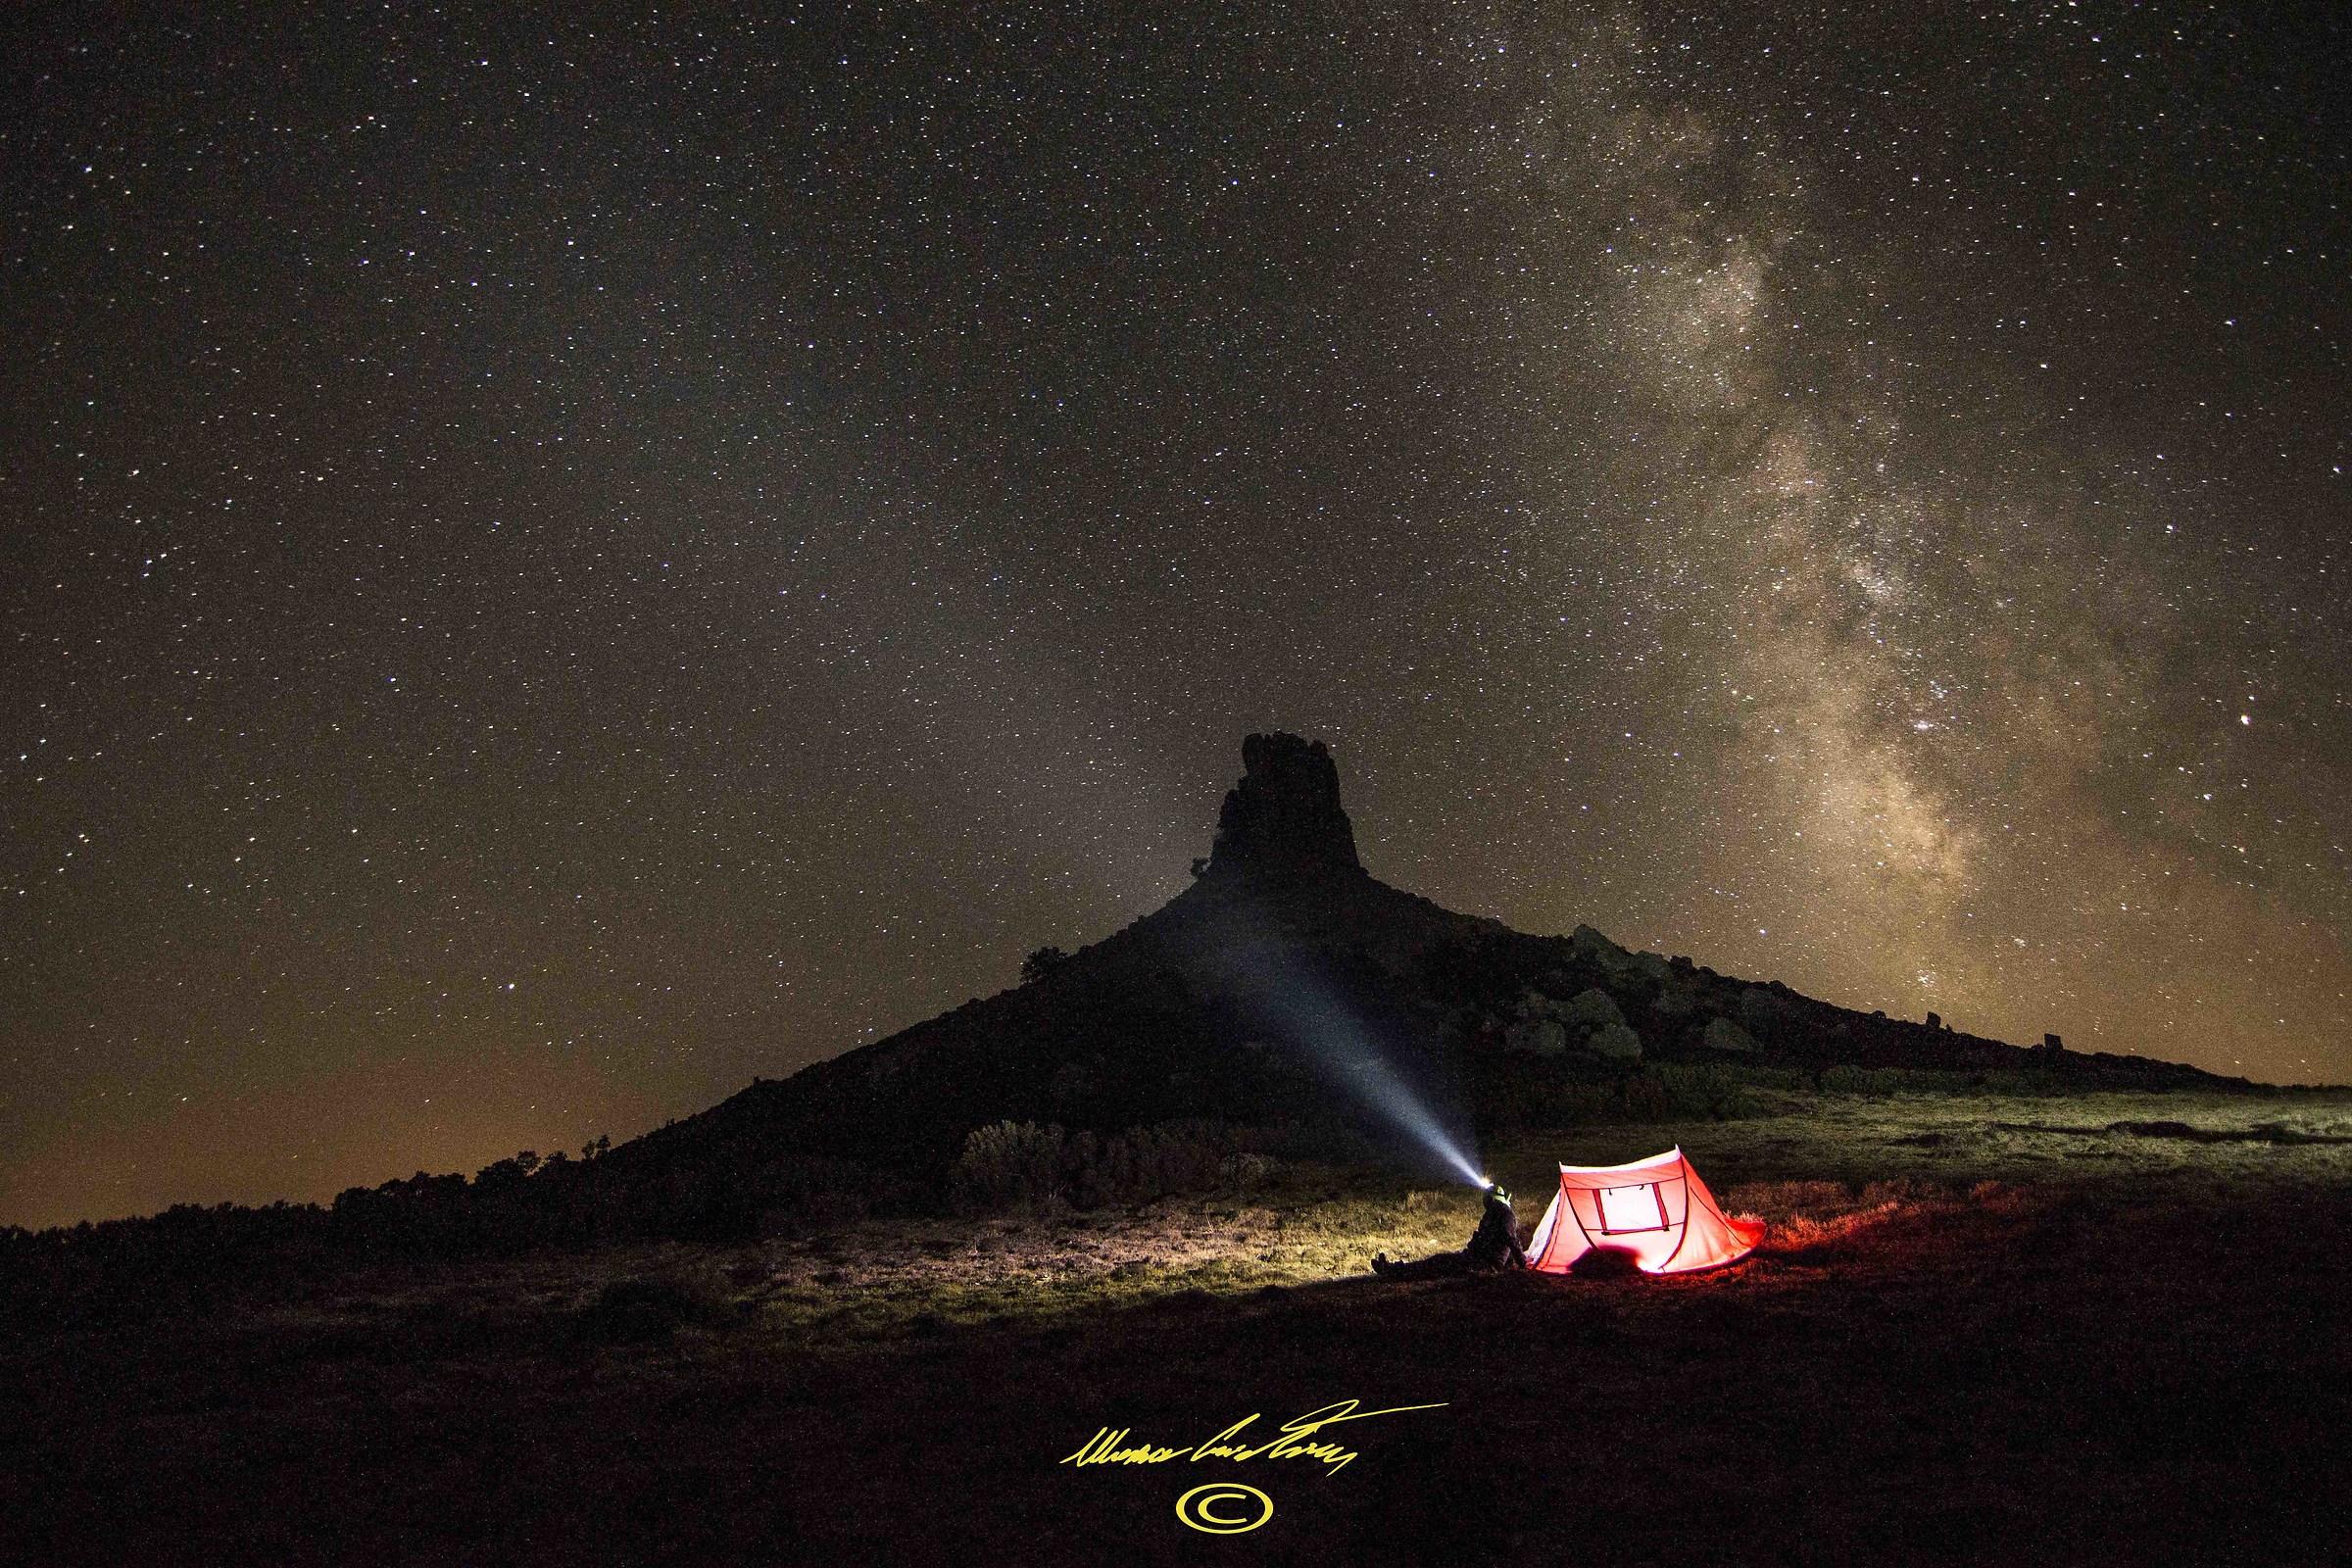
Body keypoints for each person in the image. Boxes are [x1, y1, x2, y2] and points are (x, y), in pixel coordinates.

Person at [1371, 1181, 1530, 1279]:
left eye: (1486, 1198)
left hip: (1481, 1264)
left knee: (1436, 1264)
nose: (1484, 1201)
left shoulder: (1504, 1213)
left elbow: (1509, 1238)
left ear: (1492, 1199)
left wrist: (1521, 1263)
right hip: (1476, 1260)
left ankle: (1393, 1271)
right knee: (1437, 1262)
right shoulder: (1496, 1214)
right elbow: (1503, 1243)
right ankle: (1394, 1269)